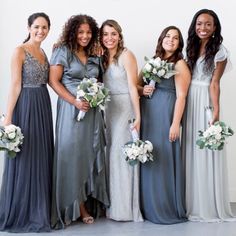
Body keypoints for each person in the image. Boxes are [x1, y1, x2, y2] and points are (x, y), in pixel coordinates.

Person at [49, 14, 109, 228]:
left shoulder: (94, 54)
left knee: (88, 154)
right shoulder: (62, 50)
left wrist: (95, 95)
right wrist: (74, 101)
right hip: (70, 110)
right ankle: (75, 207)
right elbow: (53, 81)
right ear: (73, 31)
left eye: (89, 32)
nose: (85, 36)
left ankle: (87, 203)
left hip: (91, 113)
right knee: (71, 156)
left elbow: (99, 80)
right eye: (81, 32)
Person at [0, 12, 53, 232]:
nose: (40, 31)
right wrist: (8, 118)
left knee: (41, 156)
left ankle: (39, 209)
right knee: (26, 156)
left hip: (43, 104)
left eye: (44, 27)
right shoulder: (19, 51)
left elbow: (51, 80)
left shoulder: (42, 52)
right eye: (36, 27)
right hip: (27, 105)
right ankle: (22, 211)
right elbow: (14, 85)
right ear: (29, 27)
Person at [182, 9, 236, 222]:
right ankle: (190, 201)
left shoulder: (220, 51)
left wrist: (216, 110)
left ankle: (207, 205)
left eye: (207, 24)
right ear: (194, 26)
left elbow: (215, 83)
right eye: (199, 24)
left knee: (205, 148)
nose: (202, 28)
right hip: (188, 98)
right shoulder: (190, 47)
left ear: (215, 28)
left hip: (204, 98)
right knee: (189, 147)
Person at [138, 26, 191, 224]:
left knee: (163, 158)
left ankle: (164, 206)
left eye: (175, 38)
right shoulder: (152, 61)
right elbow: (135, 85)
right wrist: (143, 89)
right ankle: (147, 206)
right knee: (148, 158)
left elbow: (182, 96)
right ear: (161, 39)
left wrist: (175, 124)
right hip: (148, 115)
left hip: (165, 116)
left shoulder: (180, 64)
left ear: (179, 44)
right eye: (168, 36)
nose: (171, 40)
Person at [100, 19, 143, 222]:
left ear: (119, 35)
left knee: (121, 154)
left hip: (125, 107)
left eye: (113, 33)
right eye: (106, 34)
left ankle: (124, 208)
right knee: (111, 154)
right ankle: (112, 205)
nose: (109, 38)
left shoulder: (127, 55)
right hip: (109, 109)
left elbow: (134, 87)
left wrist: (138, 115)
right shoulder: (101, 57)